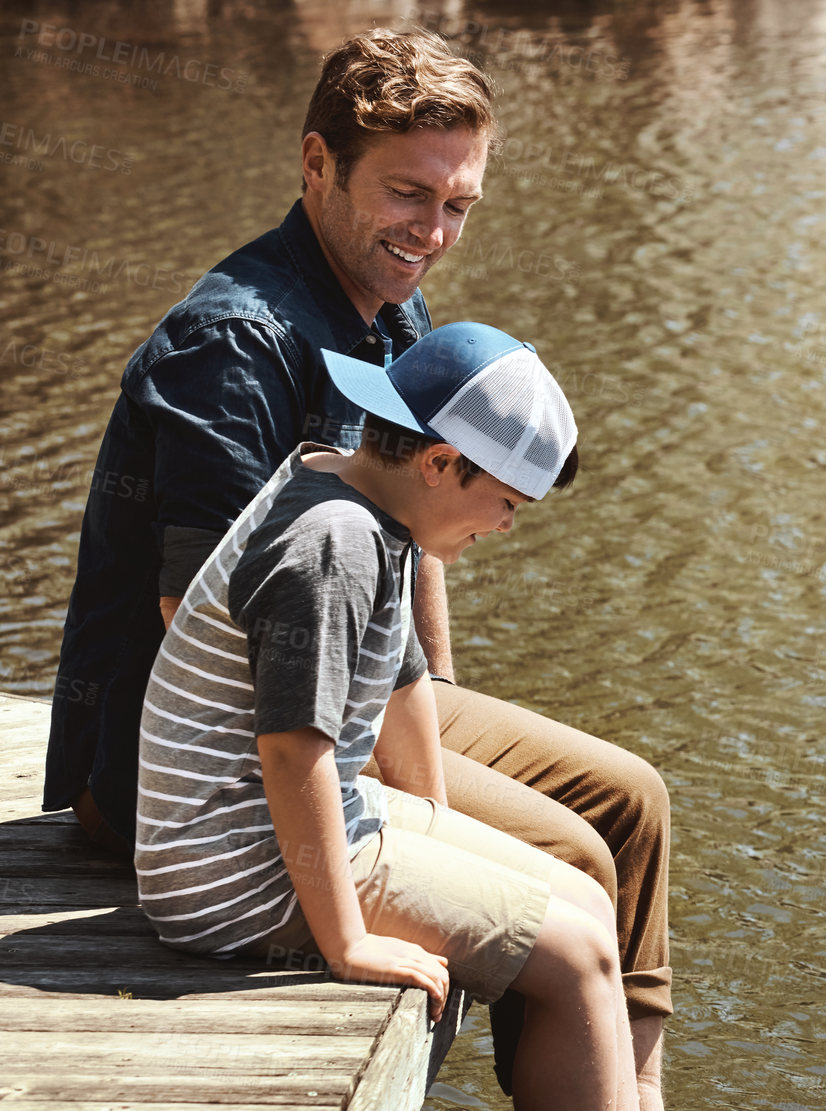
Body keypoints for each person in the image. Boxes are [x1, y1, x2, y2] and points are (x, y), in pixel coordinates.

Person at [43, 29, 667, 1103]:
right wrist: (424, 811)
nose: (431, 232)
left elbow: (410, 542)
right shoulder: (234, 341)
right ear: (316, 164)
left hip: (341, 677)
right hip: (194, 759)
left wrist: (439, 704)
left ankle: (632, 1083)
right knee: (577, 856)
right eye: (407, 193)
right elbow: (206, 612)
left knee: (634, 801)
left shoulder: (389, 307)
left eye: (457, 204)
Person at [138, 322, 638, 1110]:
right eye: (504, 501)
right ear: (440, 462)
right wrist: (349, 943)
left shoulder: (364, 493)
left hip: (293, 829)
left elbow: (403, 683)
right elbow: (290, 752)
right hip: (231, 870)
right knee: (577, 957)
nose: (505, 525)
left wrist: (431, 822)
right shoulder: (334, 543)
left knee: (588, 901)